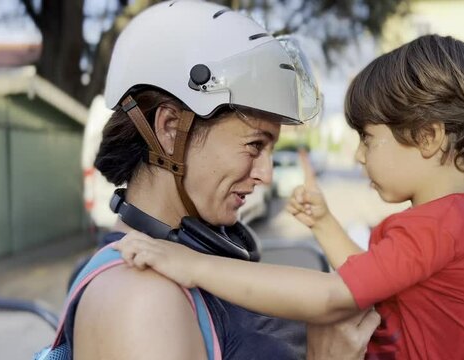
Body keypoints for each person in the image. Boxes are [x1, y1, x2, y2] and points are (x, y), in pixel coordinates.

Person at [115, 33, 464, 359]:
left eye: (368, 139)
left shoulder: (441, 225)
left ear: (428, 137)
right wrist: (324, 224)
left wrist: (194, 265)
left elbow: (331, 298)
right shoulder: (457, 221)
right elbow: (372, 278)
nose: (359, 156)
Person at [52, 1, 381, 360]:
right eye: (254, 145)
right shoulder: (140, 298)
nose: (266, 175)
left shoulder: (195, 262)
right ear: (170, 128)